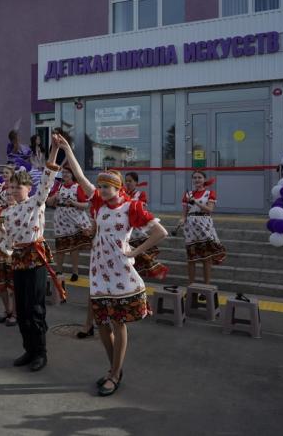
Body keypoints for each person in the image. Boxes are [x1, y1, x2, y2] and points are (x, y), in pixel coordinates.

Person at [57, 134, 168, 397]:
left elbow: (160, 232)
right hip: (99, 270)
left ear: (118, 188)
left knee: (119, 324)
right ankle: (112, 368)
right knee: (102, 323)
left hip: (119, 270)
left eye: (107, 187)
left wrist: (134, 251)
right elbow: (80, 175)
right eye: (101, 187)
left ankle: (115, 373)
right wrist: (67, 150)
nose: (102, 190)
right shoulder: (97, 202)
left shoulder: (132, 207)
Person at [1, 139, 64, 372]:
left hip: (35, 258)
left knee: (36, 307)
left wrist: (55, 149)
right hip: (18, 259)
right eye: (12, 187)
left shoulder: (37, 203)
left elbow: (47, 178)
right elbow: (8, 240)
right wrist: (0, 255)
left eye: (18, 187)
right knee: (22, 308)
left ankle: (41, 352)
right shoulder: (9, 212)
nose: (14, 190)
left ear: (28, 188)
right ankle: (29, 349)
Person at [46, 165, 93, 285]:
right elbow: (48, 202)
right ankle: (59, 271)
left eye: (68, 172)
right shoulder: (59, 186)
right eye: (64, 172)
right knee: (60, 246)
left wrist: (73, 202)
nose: (65, 174)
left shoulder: (78, 187)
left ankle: (75, 272)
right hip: (60, 220)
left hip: (74, 219)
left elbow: (85, 205)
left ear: (73, 174)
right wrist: (54, 197)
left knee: (74, 248)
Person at [181, 171, 227, 285]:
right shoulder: (187, 195)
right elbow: (184, 214)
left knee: (206, 258)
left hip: (204, 226)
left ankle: (206, 285)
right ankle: (191, 285)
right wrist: (182, 220)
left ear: (204, 179)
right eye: (195, 178)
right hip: (190, 227)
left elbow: (209, 210)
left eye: (199, 177)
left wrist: (196, 202)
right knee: (191, 258)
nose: (197, 180)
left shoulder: (210, 193)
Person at [124, 172, 169, 280]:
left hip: (136, 228)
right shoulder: (122, 193)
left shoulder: (140, 194)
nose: (128, 183)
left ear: (136, 182)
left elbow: (141, 209)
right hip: (125, 227)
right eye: (126, 181)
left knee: (139, 255)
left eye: (130, 181)